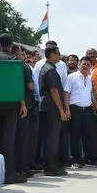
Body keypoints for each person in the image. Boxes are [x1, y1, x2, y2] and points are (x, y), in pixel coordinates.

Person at [0, 34, 28, 184]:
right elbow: (17, 84)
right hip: (11, 103)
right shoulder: (14, 61)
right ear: (11, 44)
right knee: (9, 139)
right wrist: (23, 104)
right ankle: (10, 173)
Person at [65, 56, 97, 167]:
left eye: (88, 65)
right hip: (75, 109)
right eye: (83, 64)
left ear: (90, 67)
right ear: (79, 64)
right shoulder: (71, 77)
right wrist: (67, 109)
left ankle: (88, 159)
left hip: (88, 110)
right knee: (75, 136)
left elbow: (91, 94)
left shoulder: (90, 78)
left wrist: (94, 106)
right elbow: (66, 94)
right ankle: (76, 160)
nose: (85, 66)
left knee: (88, 135)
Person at [39, 45, 68, 176]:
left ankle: (51, 164)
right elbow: (54, 91)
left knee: (51, 137)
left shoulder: (49, 68)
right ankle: (51, 167)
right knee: (52, 137)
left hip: (49, 106)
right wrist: (61, 110)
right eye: (57, 53)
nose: (59, 55)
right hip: (52, 107)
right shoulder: (50, 70)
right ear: (51, 54)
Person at [14, 44, 36, 176]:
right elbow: (31, 86)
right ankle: (23, 167)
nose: (25, 56)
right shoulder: (24, 67)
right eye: (22, 54)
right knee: (23, 138)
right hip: (25, 106)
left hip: (14, 105)